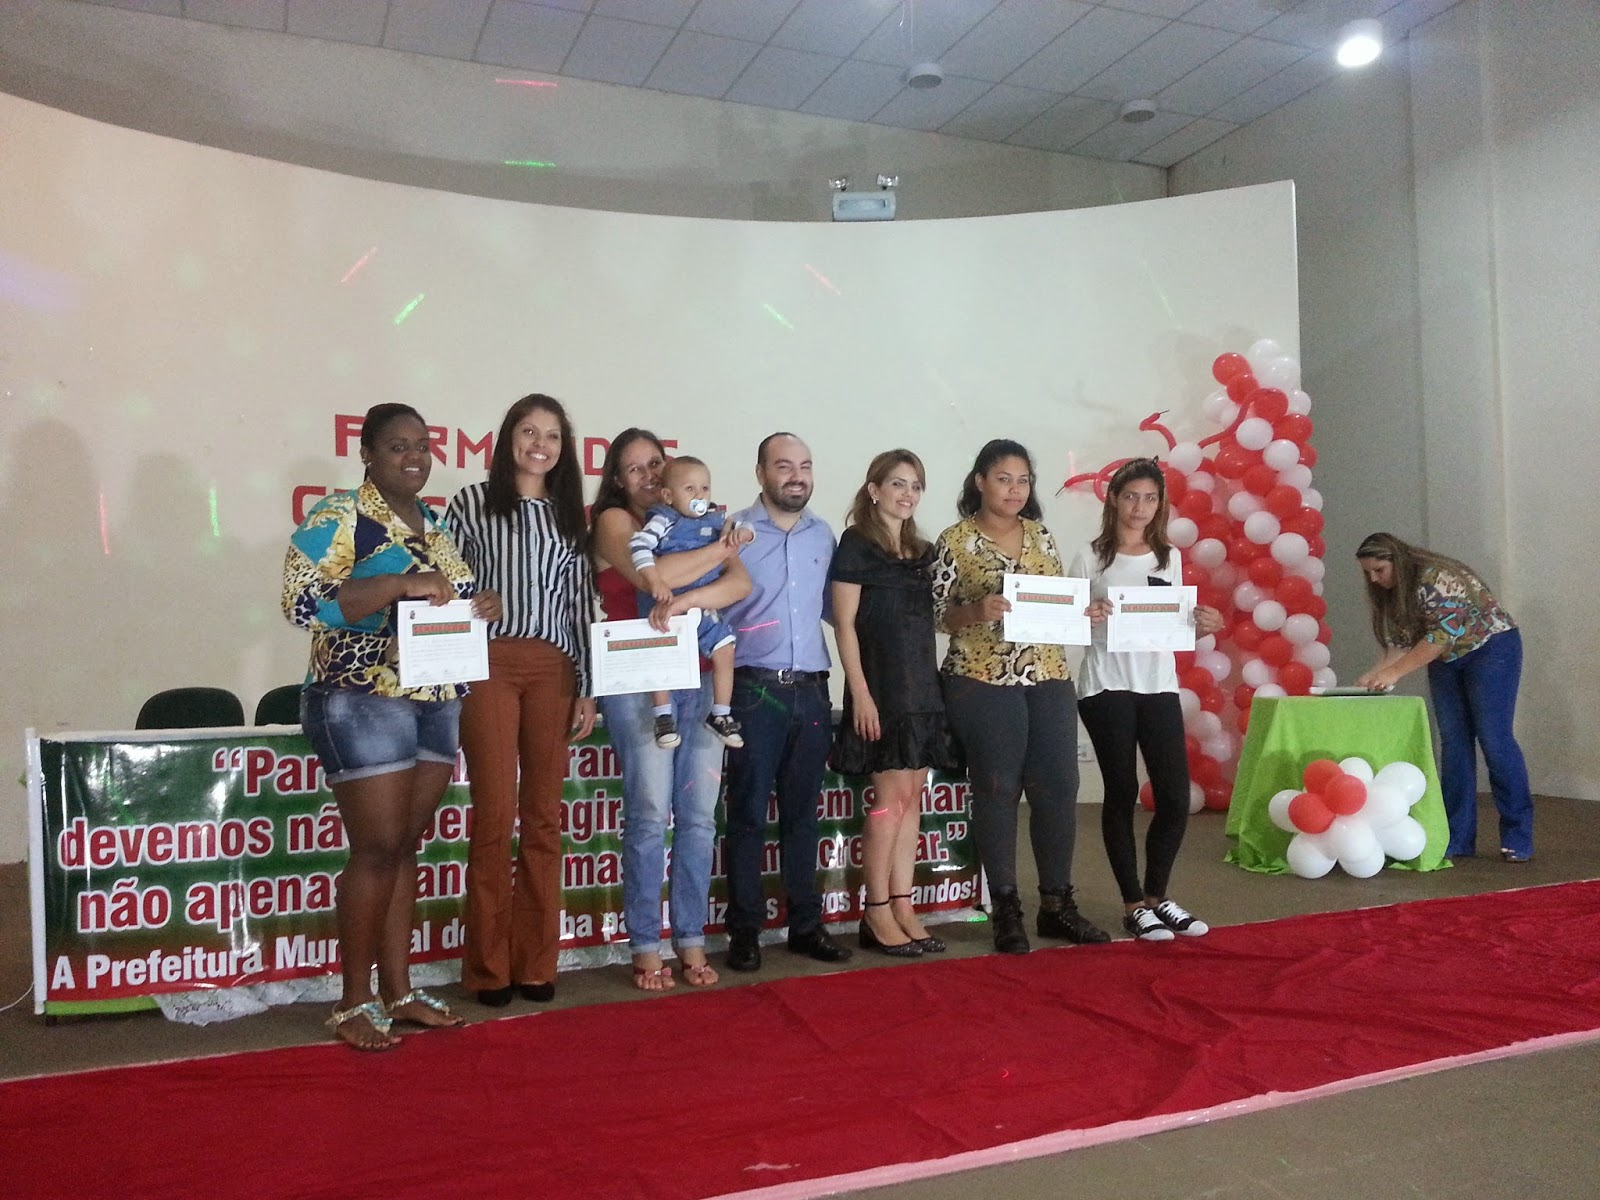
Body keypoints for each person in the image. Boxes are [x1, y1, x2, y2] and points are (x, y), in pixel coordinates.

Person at [282, 402, 501, 1050]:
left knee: (405, 847)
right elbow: (301, 602)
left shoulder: (434, 524)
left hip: (436, 695)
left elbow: (445, 597)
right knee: (376, 848)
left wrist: (479, 605)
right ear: (368, 454)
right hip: (361, 695)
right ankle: (352, 1001)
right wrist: (401, 585)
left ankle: (398, 993)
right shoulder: (339, 516)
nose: (414, 456)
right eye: (398, 445)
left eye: (422, 446)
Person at [444, 394, 595, 1008]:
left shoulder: (569, 516)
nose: (540, 444)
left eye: (552, 436)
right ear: (508, 439)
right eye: (529, 432)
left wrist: (586, 686)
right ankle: (487, 969)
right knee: (493, 815)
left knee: (543, 819)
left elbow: (580, 603)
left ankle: (536, 964)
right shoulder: (471, 502)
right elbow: (442, 581)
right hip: (489, 665)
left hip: (554, 669)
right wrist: (472, 598)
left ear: (564, 448)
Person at [931, 438, 1109, 955]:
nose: (1014, 489)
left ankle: (1057, 904)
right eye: (1003, 479)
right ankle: (1005, 907)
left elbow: (1053, 604)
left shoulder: (1041, 536)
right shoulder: (954, 540)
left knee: (1058, 786)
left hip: (1048, 675)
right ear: (980, 482)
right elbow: (935, 613)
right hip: (981, 678)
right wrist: (975, 611)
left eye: (1023, 480)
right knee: (998, 787)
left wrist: (1083, 612)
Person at [591, 429, 753, 990]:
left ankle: (690, 937)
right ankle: (644, 944)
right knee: (649, 813)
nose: (648, 476)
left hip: (702, 677)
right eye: (634, 468)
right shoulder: (615, 521)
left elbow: (740, 584)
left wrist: (691, 595)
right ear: (617, 478)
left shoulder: (698, 516)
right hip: (640, 679)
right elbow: (650, 577)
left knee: (700, 817)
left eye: (655, 464)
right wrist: (720, 549)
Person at [1070, 458, 1224, 941]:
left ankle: (1158, 896)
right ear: (1114, 499)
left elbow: (1172, 623)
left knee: (1174, 797)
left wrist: (1204, 624)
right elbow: (1064, 625)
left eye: (1150, 498)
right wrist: (1086, 614)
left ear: (1161, 505)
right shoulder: (1090, 557)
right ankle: (1133, 903)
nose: (1140, 507)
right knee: (1121, 791)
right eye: (1131, 496)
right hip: (1106, 684)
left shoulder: (1168, 557)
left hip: (1158, 683)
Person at [720, 432, 853, 972]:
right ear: (760, 473)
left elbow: (838, 613)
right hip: (753, 691)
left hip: (812, 690)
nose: (796, 476)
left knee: (803, 814)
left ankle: (805, 925)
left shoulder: (825, 535)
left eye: (805, 466)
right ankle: (745, 931)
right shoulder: (734, 533)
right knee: (748, 813)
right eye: (783, 466)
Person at [830, 449, 962, 957]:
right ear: (874, 490)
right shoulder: (856, 545)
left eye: (915, 486)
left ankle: (904, 905)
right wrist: (861, 693)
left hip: (922, 688)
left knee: (912, 801)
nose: (907, 494)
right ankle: (876, 909)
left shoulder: (924, 553)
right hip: (880, 690)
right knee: (889, 801)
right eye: (898, 484)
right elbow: (844, 626)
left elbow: (942, 617)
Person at [1354, 532, 1532, 862]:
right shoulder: (1395, 592)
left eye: (1379, 570)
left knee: (1494, 739)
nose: (1374, 579)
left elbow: (1439, 637)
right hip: (1446, 659)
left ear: (1397, 561)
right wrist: (1374, 674)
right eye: (1368, 573)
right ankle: (1457, 837)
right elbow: (1402, 643)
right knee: (1454, 743)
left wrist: (1394, 673)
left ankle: (1517, 835)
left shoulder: (1437, 577)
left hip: (1491, 649)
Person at [628, 455, 749, 749]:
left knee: (725, 648)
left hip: (702, 607)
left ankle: (721, 713)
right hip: (664, 604)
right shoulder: (663, 519)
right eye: (690, 489)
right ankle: (662, 716)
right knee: (660, 653)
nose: (699, 496)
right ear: (668, 496)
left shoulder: (717, 520)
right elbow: (639, 545)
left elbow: (743, 529)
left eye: (705, 488)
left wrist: (742, 534)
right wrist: (655, 581)